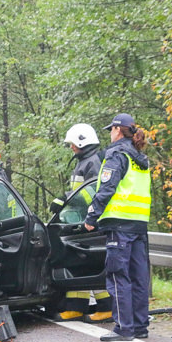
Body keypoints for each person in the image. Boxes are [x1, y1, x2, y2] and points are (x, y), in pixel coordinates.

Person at [83, 113, 151, 341]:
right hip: (139, 225)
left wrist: (91, 216)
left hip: (119, 224)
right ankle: (140, 326)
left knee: (118, 276)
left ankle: (124, 328)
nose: (110, 134)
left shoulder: (116, 154)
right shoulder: (141, 158)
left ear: (118, 130)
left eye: (111, 130)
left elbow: (106, 188)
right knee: (139, 277)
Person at [48, 123, 111, 322]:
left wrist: (65, 199)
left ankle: (108, 307)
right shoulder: (85, 161)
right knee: (78, 265)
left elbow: (91, 191)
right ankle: (76, 306)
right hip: (82, 219)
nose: (71, 147)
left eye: (72, 144)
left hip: (93, 221)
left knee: (91, 265)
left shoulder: (92, 162)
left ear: (82, 142)